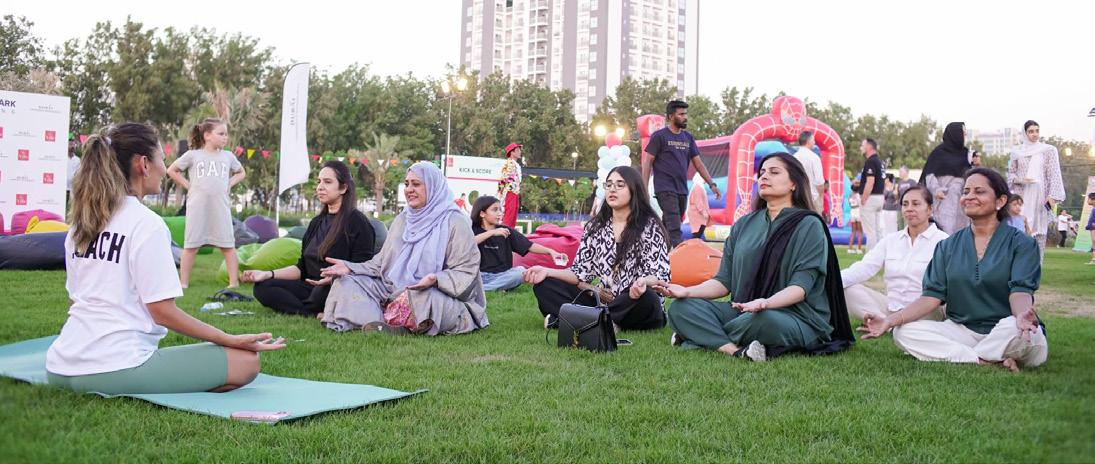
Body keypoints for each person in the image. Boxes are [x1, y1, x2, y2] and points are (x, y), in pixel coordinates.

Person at [46, 123, 284, 395]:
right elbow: (162, 312)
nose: (165, 167)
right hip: (115, 368)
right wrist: (229, 339)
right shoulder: (146, 223)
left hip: (59, 367)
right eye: (161, 158)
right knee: (247, 362)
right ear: (143, 164)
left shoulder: (80, 225)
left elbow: (76, 300)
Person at [659, 152, 854, 361]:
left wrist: (766, 303)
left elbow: (800, 288)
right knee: (681, 308)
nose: (764, 177)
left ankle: (697, 336)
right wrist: (687, 291)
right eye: (762, 173)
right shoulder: (744, 224)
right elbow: (723, 282)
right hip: (743, 310)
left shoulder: (809, 225)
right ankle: (734, 350)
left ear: (794, 184)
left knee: (763, 321)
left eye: (774, 172)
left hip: (793, 316)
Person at [861, 168, 1047, 373]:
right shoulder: (947, 246)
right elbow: (931, 297)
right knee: (903, 332)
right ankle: (984, 359)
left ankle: (972, 354)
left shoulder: (1022, 243)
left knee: (1020, 331)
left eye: (979, 191)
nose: (970, 196)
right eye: (966, 192)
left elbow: (1020, 291)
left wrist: (1021, 316)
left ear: (1000, 201)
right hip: (962, 330)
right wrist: (889, 321)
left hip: (1006, 329)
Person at [320, 162, 487, 335]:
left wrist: (436, 279)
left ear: (433, 186)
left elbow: (466, 270)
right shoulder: (403, 220)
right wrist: (350, 268)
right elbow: (382, 263)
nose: (409, 190)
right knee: (347, 282)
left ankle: (386, 319)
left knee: (424, 299)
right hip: (392, 290)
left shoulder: (455, 222)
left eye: (416, 184)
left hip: (434, 293)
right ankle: (381, 322)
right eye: (407, 184)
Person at [524, 166, 670, 331]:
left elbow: (659, 275)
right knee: (546, 285)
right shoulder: (596, 227)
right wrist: (547, 271)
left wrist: (642, 283)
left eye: (620, 185)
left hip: (635, 302)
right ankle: (604, 321)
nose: (612, 189)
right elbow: (579, 273)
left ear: (634, 189)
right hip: (604, 301)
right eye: (609, 184)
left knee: (648, 297)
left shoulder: (650, 226)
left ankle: (580, 320)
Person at [243, 161, 375, 316]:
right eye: (319, 182)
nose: (320, 187)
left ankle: (313, 308)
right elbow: (301, 269)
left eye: (327, 182)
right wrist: (267, 274)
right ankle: (312, 313)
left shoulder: (358, 222)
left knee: (320, 294)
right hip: (309, 287)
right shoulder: (316, 222)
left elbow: (363, 269)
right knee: (262, 286)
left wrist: (335, 278)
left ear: (343, 188)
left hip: (337, 287)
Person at [841, 185, 949, 321]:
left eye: (916, 204)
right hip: (891, 307)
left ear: (930, 209)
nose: (909, 208)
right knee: (848, 291)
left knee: (923, 315)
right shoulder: (891, 240)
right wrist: (833, 280)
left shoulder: (944, 241)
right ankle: (885, 322)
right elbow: (865, 267)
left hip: (925, 311)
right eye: (905, 204)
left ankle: (892, 325)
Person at [167, 118, 246, 289]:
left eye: (226, 134)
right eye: (221, 134)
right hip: (197, 208)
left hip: (221, 208)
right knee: (191, 246)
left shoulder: (228, 156)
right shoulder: (193, 155)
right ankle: (183, 283)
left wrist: (229, 183)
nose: (225, 137)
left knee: (228, 246)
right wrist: (189, 186)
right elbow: (172, 170)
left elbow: (241, 172)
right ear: (207, 135)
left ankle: (234, 283)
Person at [642, 100, 722, 247]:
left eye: (685, 114)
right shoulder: (659, 136)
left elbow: (699, 164)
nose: (685, 117)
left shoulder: (688, 138)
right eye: (681, 114)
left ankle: (657, 251)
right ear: (671, 116)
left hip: (681, 189)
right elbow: (648, 162)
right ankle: (681, 256)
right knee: (674, 227)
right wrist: (643, 188)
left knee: (669, 223)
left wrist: (712, 184)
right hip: (665, 188)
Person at [472, 195, 568, 292]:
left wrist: (551, 252)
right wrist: (491, 233)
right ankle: (494, 287)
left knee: (521, 271)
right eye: (495, 210)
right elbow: (469, 244)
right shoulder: (472, 230)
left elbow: (529, 245)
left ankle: (485, 289)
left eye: (500, 210)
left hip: (503, 275)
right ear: (482, 213)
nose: (499, 213)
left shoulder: (506, 231)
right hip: (479, 275)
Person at [1008, 120, 1065, 261]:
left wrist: (1052, 196)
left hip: (1040, 198)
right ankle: (1019, 267)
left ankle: (1037, 268)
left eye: (1037, 131)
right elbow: (1011, 175)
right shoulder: (1017, 152)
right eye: (1031, 131)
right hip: (1022, 197)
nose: (1035, 134)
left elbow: (1054, 174)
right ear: (1025, 133)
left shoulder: (1048, 150)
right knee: (1020, 233)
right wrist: (1021, 180)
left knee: (1039, 235)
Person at [920, 122, 972, 235]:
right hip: (943, 198)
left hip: (961, 200)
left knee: (961, 231)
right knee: (944, 230)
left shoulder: (966, 154)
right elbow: (929, 174)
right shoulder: (938, 153)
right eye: (963, 133)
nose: (965, 136)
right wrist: (936, 190)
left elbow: (970, 174)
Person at [857, 138, 885, 252]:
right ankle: (881, 256)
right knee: (877, 230)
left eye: (863, 145)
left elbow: (870, 182)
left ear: (869, 147)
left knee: (870, 231)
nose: (861, 147)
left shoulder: (870, 161)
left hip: (871, 198)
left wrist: (864, 198)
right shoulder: (879, 161)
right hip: (879, 197)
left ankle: (870, 257)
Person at [791, 130, 826, 214]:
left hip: (797, 198)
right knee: (814, 221)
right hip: (813, 197)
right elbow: (819, 182)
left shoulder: (793, 157)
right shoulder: (814, 158)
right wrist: (821, 198)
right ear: (809, 141)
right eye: (813, 140)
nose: (814, 142)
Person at [498, 143, 523, 228]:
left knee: (513, 215)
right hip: (509, 192)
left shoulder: (515, 164)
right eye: (518, 150)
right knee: (509, 214)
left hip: (515, 192)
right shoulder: (508, 163)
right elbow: (502, 180)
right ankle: (505, 232)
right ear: (512, 152)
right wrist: (501, 194)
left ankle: (510, 233)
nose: (520, 152)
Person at [686, 173, 713, 239]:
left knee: (698, 232)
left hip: (698, 213)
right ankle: (692, 244)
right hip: (697, 214)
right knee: (697, 232)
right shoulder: (697, 187)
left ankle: (694, 244)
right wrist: (704, 212)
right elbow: (698, 202)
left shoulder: (699, 186)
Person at [848, 189, 864, 254]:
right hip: (858, 212)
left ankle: (850, 248)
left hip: (852, 212)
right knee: (860, 232)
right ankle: (859, 249)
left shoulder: (850, 195)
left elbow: (849, 204)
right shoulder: (859, 195)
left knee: (853, 231)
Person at [66, 136, 81, 203]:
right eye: (70, 144)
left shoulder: (78, 160)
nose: (72, 146)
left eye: (73, 144)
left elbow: (79, 173)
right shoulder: (62, 158)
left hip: (73, 188)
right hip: (63, 188)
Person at [1086, 193, 1095, 264]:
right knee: (1094, 242)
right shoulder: (1093, 209)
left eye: (1088, 199)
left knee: (1094, 241)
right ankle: (1093, 259)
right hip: (1092, 228)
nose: (1087, 201)